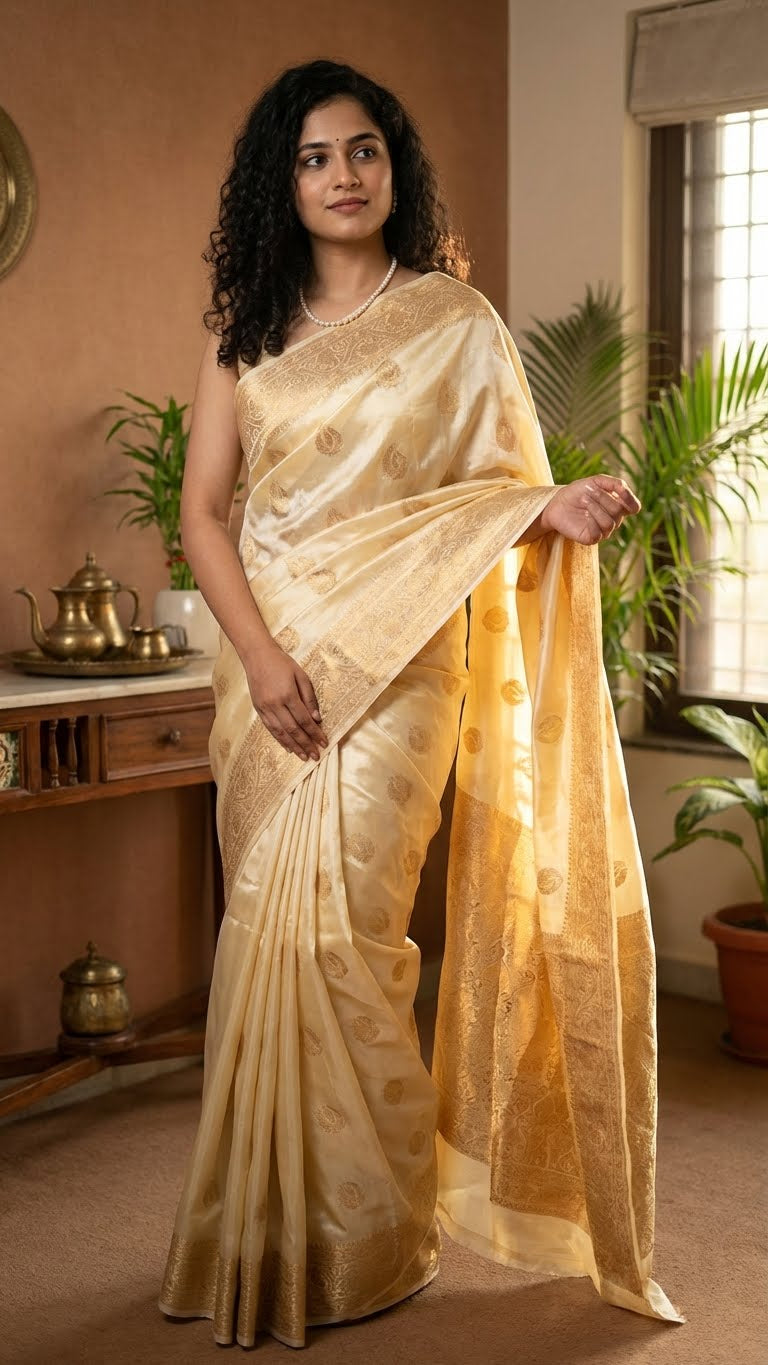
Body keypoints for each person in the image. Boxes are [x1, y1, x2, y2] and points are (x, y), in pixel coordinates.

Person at [158, 59, 683, 1349]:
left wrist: (551, 508)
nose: (342, 176)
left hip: (399, 668)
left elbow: (501, 489)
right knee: (265, 946)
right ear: (280, 185)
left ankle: (372, 1236)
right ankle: (266, 1231)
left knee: (350, 939)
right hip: (265, 667)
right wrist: (265, 658)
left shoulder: (455, 322)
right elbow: (202, 513)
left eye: (363, 152)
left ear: (393, 168)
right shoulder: (249, 328)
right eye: (314, 158)